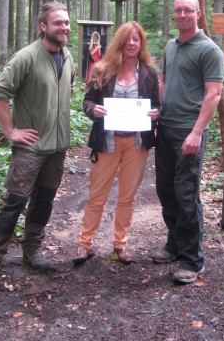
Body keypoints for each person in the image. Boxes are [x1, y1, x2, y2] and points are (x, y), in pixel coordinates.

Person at [0, 1, 75, 293]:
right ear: (43, 26)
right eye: (58, 23)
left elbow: (65, 93)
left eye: (67, 23)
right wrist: (10, 131)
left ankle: (32, 251)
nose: (64, 27)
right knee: (14, 202)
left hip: (57, 148)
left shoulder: (67, 56)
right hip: (30, 150)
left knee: (44, 201)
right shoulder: (26, 57)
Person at [74, 21, 160, 265]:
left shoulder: (149, 73)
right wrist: (95, 110)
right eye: (128, 39)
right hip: (107, 142)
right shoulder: (102, 70)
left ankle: (120, 245)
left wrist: (156, 113)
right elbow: (87, 102)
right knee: (96, 196)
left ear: (141, 43)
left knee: (127, 198)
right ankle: (84, 244)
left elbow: (156, 105)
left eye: (136, 39)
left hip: (136, 144)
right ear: (120, 42)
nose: (132, 43)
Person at [153, 0, 224, 285]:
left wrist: (196, 132)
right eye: (178, 10)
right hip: (166, 128)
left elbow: (214, 94)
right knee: (165, 191)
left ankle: (192, 259)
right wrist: (159, 111)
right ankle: (175, 243)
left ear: (198, 13)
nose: (182, 15)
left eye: (187, 10)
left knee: (186, 193)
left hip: (188, 132)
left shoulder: (209, 50)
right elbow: (165, 81)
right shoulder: (171, 46)